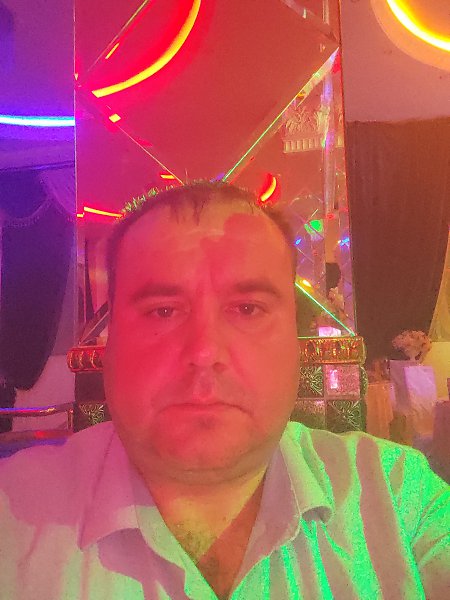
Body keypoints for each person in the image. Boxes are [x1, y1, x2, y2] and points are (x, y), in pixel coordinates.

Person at [0, 181, 448, 599]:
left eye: (248, 308)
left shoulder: (398, 497)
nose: (204, 351)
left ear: (296, 345)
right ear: (109, 344)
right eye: (162, 311)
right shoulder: (12, 513)